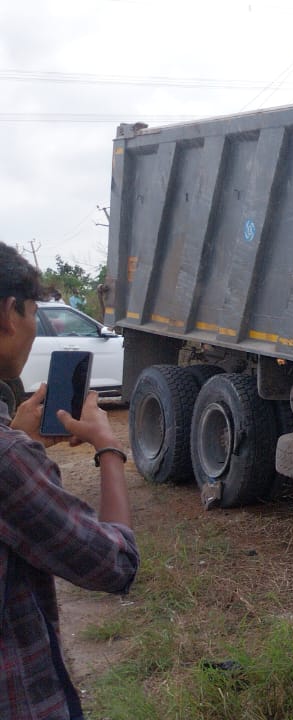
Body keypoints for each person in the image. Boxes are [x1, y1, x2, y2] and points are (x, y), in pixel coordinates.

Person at [0, 243, 138, 720]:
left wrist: (17, 436)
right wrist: (108, 446)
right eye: (33, 312)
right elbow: (114, 564)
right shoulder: (9, 462)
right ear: (7, 315)